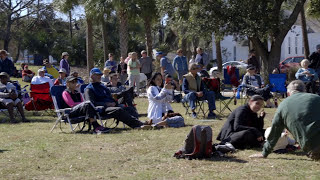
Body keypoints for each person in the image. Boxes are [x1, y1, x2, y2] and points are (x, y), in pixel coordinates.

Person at [250, 80, 320, 161]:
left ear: (288, 93)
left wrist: (264, 152)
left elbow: (275, 132)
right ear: (304, 91)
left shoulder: (283, 105)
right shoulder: (316, 98)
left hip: (313, 148)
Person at [84, 68, 150, 129]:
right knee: (118, 110)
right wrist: (106, 104)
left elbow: (110, 97)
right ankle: (138, 125)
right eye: (97, 75)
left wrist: (114, 102)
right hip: (101, 109)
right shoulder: (89, 89)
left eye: (100, 75)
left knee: (129, 108)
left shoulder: (102, 87)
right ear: (92, 76)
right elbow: (90, 104)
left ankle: (138, 122)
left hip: (111, 107)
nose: (99, 76)